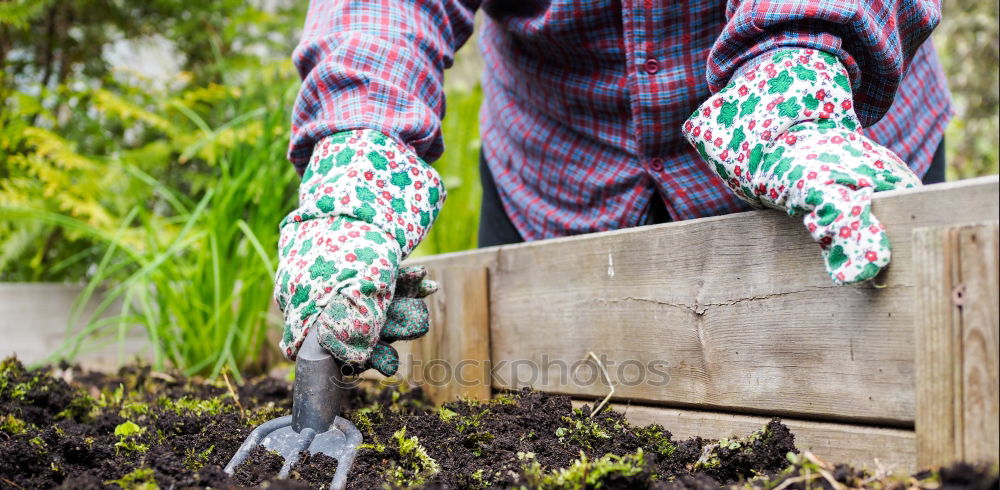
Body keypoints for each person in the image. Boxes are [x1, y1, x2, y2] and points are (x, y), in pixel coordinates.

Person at [274, 1, 952, 376]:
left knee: (891, 385)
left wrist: (799, 58)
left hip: (819, 132)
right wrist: (356, 164)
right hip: (561, 163)